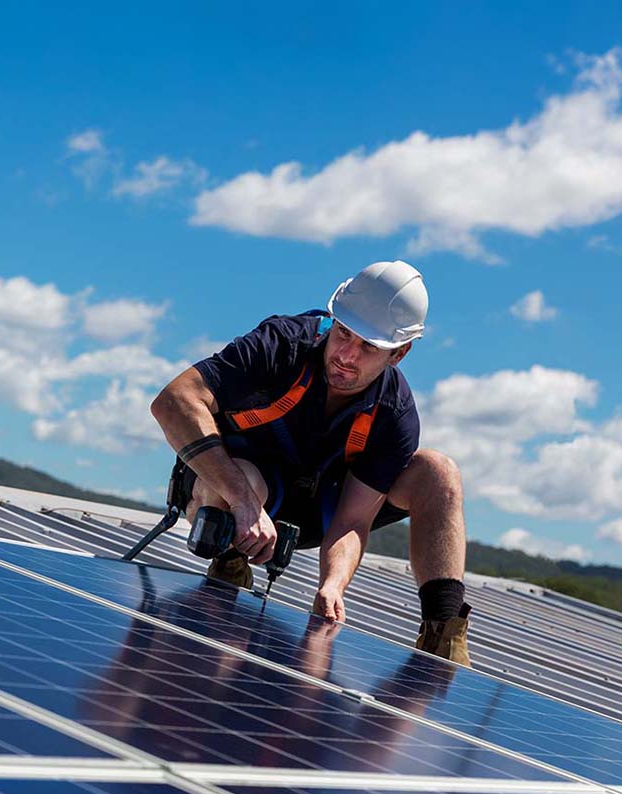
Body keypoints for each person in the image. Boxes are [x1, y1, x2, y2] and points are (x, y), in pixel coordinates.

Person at [150, 260, 472, 666]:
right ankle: (230, 564)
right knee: (246, 480)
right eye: (343, 334)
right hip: (233, 490)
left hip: (317, 510)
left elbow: (353, 520)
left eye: (368, 347)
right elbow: (173, 401)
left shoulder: (394, 414)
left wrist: (333, 585)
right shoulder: (281, 344)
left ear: (400, 353)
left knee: (438, 472)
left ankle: (443, 640)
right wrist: (244, 501)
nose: (346, 356)